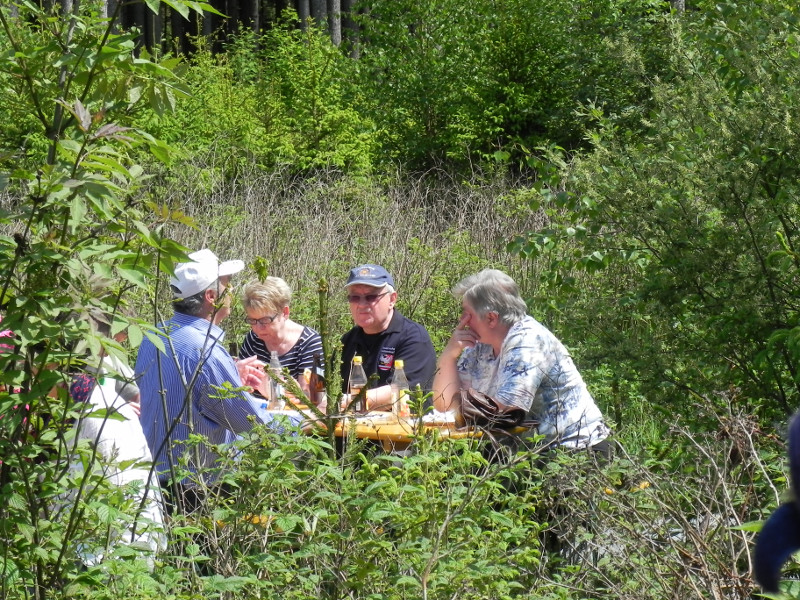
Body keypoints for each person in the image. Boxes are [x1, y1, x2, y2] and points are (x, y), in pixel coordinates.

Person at [135, 248, 289, 510]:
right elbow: (252, 425)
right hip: (196, 489)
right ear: (211, 296)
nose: (232, 291)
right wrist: (306, 419)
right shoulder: (205, 350)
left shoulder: (156, 334)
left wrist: (231, 374)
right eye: (227, 285)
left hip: (153, 478)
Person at [432, 269, 610, 454]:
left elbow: (505, 413)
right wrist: (449, 355)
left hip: (575, 449)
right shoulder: (479, 344)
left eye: (467, 313)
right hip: (522, 447)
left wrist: (461, 407)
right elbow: (444, 404)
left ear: (491, 318)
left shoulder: (529, 340)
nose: (462, 320)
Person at [69, 308, 165, 568]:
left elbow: (134, 395)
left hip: (121, 472)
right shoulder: (77, 379)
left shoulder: (109, 361)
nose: (122, 341)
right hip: (97, 478)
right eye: (119, 334)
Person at [340, 264, 436, 412]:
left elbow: (401, 392)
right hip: (355, 424)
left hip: (403, 425)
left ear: (392, 299)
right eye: (355, 297)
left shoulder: (414, 338)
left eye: (371, 297)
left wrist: (344, 401)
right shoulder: (348, 341)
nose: (362, 304)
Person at [239, 277, 324, 400]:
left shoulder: (310, 342)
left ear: (285, 312)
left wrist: (272, 392)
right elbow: (240, 390)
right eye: (252, 320)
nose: (258, 328)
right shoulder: (252, 340)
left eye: (265, 320)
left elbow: (313, 398)